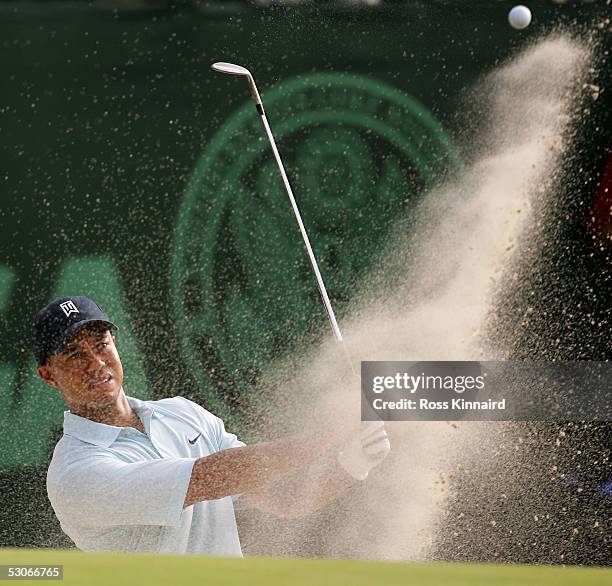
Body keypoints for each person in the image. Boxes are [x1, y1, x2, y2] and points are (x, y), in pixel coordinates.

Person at [33, 296, 391, 556]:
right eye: (75, 355)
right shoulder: (75, 473)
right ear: (48, 376)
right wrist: (332, 430)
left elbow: (285, 497)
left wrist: (353, 462)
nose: (96, 363)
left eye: (101, 345)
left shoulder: (181, 413)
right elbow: (209, 478)